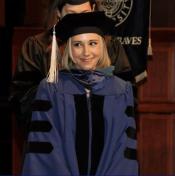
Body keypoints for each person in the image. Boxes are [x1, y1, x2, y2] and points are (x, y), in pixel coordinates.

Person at [22, 11, 138, 175]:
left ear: (103, 46)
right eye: (77, 44)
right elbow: (45, 146)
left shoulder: (121, 90)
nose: (86, 52)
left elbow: (123, 149)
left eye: (93, 43)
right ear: (69, 49)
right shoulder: (50, 88)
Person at [9, 0, 131, 129]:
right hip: (56, 130)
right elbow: (22, 99)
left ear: (93, 8)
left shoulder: (110, 45)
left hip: (101, 131)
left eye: (85, 13)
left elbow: (127, 94)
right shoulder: (36, 46)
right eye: (71, 14)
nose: (79, 19)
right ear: (58, 13)